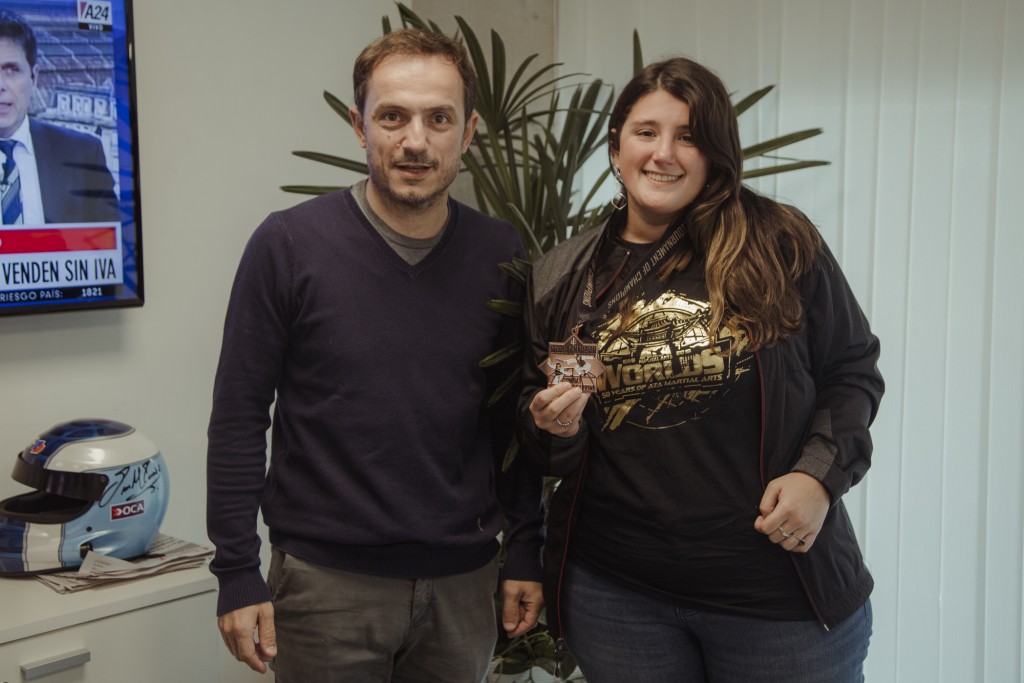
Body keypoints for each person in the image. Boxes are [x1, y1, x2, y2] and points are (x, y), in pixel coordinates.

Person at [519, 57, 883, 683]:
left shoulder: (778, 244)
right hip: (617, 597)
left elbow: (853, 370)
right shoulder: (563, 275)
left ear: (716, 152)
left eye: (688, 136)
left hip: (775, 596)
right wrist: (554, 426)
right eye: (647, 132)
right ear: (616, 146)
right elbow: (549, 452)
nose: (664, 153)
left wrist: (818, 477)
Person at [207, 28, 544, 681]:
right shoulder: (287, 245)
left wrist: (526, 544)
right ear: (359, 125)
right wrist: (237, 569)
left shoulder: (499, 251)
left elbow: (510, 421)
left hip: (463, 583)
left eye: (438, 118)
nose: (416, 140)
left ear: (468, 131)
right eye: (393, 116)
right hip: (326, 588)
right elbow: (239, 417)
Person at [0, 10, 119, 225]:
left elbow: (112, 240)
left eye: (11, 70)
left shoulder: (83, 156)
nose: (0, 86)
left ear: (34, 77)